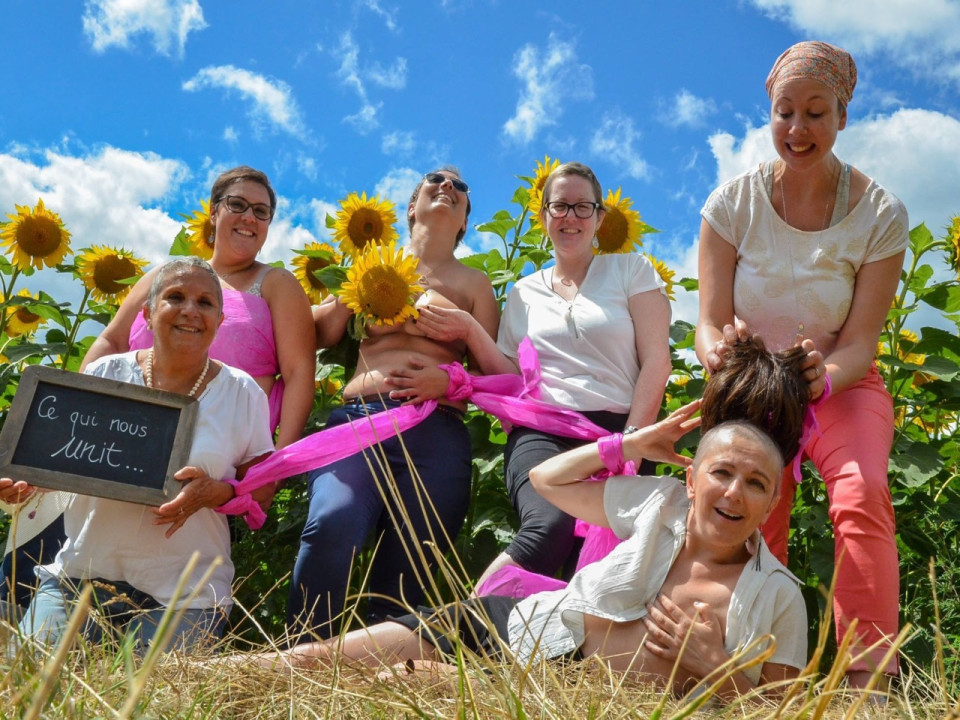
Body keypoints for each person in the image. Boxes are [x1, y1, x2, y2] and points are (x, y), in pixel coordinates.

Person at [258, 404, 807, 701]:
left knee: (390, 684)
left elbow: (782, 710)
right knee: (310, 661)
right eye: (721, 473)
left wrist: (720, 669)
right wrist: (628, 445)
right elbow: (548, 481)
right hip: (515, 623)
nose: (734, 492)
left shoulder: (778, 593)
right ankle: (178, 669)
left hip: (548, 686)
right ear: (692, 481)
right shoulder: (659, 503)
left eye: (756, 483)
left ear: (771, 504)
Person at [696, 41, 908, 688]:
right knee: (754, 510)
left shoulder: (880, 215)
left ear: (843, 116)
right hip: (754, 386)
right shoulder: (731, 206)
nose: (797, 129)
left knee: (862, 491)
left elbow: (862, 340)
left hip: (839, 384)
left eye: (816, 113)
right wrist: (720, 352)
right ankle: (757, 673)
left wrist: (826, 376)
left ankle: (866, 679)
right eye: (784, 112)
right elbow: (708, 324)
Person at [405, 162, 672, 590]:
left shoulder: (632, 271)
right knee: (549, 527)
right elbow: (511, 376)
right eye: (560, 206)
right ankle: (463, 636)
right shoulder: (523, 292)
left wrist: (631, 446)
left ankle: (558, 655)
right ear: (543, 215)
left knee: (615, 565)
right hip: (543, 433)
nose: (571, 217)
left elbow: (657, 362)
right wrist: (472, 330)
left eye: (583, 207)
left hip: (624, 428)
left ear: (601, 218)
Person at [1, 258, 275, 649]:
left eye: (205, 302)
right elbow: (55, 463)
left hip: (187, 596)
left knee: (148, 703)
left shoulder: (241, 392)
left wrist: (218, 493)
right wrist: (25, 486)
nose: (190, 311)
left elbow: (263, 487)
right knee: (25, 690)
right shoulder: (104, 376)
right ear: (146, 313)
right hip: (77, 578)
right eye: (175, 297)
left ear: (219, 319)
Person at [287, 167, 500, 639]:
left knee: (413, 559)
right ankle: (300, 661)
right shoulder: (370, 263)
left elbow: (499, 375)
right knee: (332, 521)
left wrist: (449, 378)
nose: (448, 187)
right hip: (360, 421)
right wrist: (355, 282)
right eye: (435, 179)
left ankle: (378, 682)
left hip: (437, 429)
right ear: (410, 206)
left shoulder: (474, 284)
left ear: (464, 221)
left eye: (461, 188)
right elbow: (317, 334)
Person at [82, 165, 315, 450]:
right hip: (123, 437)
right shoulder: (164, 276)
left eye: (261, 211)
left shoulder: (276, 284)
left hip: (224, 454)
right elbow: (111, 341)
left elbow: (299, 372)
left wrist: (276, 469)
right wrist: (77, 414)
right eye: (237, 204)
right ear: (214, 213)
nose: (249, 217)